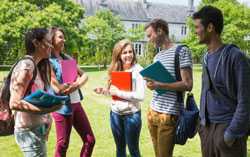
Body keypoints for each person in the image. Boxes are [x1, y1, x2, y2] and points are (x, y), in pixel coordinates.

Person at [193, 6, 250, 157]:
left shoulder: (236, 57)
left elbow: (245, 101)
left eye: (197, 27)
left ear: (210, 27)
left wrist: (230, 134)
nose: (195, 31)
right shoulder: (206, 57)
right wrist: (202, 128)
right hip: (207, 129)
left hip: (228, 130)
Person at [9, 28, 62, 157]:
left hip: (37, 130)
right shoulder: (27, 66)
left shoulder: (37, 66)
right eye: (49, 42)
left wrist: (47, 118)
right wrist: (44, 110)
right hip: (29, 132)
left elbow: (35, 97)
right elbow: (14, 103)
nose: (51, 45)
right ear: (36, 43)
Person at [144, 18, 193, 157]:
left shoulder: (181, 51)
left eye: (150, 35)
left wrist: (160, 85)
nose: (148, 40)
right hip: (152, 112)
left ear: (160, 31)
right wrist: (151, 84)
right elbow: (157, 84)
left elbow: (188, 85)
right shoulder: (158, 56)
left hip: (168, 114)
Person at [49, 27, 95, 157]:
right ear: (51, 39)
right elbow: (56, 88)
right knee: (63, 145)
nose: (64, 40)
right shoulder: (48, 61)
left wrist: (76, 85)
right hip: (62, 107)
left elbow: (84, 75)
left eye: (64, 37)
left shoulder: (67, 57)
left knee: (90, 140)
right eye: (60, 37)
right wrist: (68, 86)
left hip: (76, 104)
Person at [94, 39, 145, 157]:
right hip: (115, 115)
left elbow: (140, 96)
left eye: (130, 52)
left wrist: (119, 92)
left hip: (132, 116)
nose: (128, 55)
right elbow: (114, 93)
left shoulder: (138, 70)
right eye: (124, 52)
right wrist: (104, 91)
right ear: (119, 55)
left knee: (133, 150)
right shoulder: (116, 69)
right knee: (120, 149)